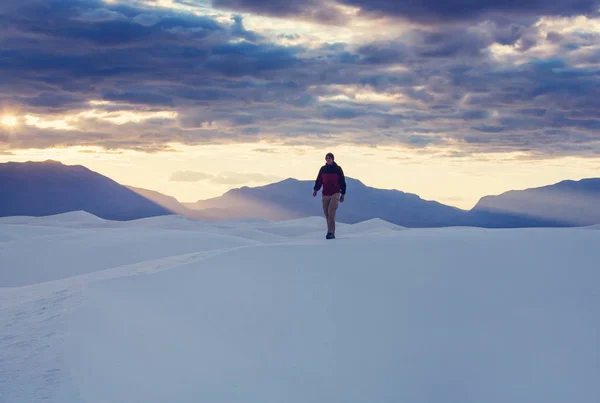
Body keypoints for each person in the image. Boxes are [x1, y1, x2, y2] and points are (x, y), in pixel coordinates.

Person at [313, 152, 346, 239]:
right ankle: (329, 231)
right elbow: (319, 180)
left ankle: (331, 232)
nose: (328, 159)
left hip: (336, 193)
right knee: (327, 213)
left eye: (329, 158)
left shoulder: (338, 169)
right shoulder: (323, 169)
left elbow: (342, 181)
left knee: (331, 211)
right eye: (327, 158)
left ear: (332, 159)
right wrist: (316, 189)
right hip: (325, 194)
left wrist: (343, 194)